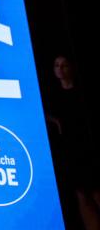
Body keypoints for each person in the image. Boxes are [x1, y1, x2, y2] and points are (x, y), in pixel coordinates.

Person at [47, 55, 100, 230]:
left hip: (88, 146)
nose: (60, 69)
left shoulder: (82, 92)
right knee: (81, 195)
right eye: (57, 65)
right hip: (70, 149)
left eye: (64, 65)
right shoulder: (53, 96)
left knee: (95, 191)